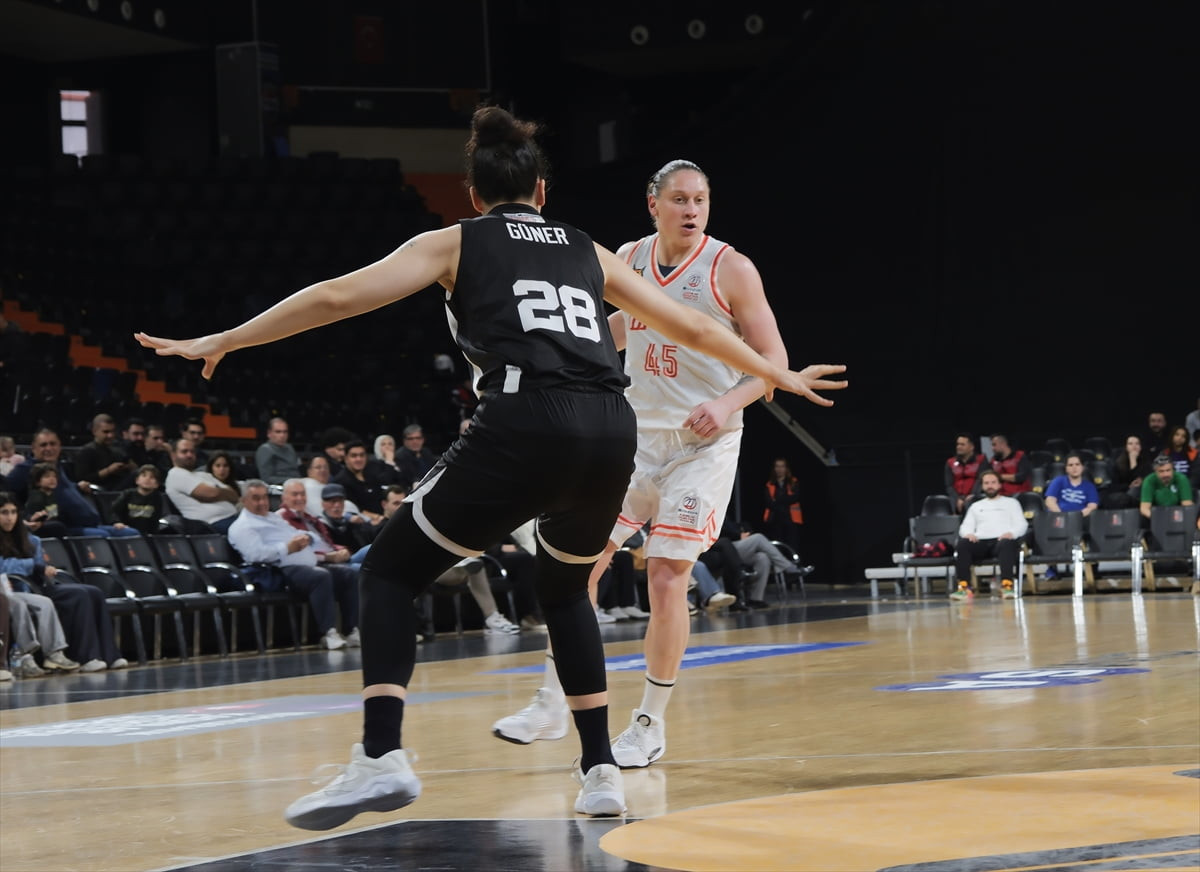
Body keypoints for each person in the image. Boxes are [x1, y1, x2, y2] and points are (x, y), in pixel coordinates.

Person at [135, 105, 845, 828]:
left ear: (472, 195)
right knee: (568, 590)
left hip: (527, 419)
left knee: (387, 570)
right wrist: (775, 376)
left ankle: (381, 754)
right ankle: (600, 769)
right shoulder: (589, 249)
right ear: (542, 193)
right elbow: (691, 324)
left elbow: (336, 296)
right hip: (611, 428)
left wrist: (225, 336)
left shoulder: (455, 242)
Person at [492, 157, 816, 769]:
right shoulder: (631, 256)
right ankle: (551, 702)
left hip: (704, 445)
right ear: (653, 204)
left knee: (667, 573)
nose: (692, 210)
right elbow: (621, 327)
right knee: (576, 570)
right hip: (635, 440)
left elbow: (773, 358)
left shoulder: (732, 268)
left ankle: (648, 723)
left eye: (701, 200)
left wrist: (726, 403)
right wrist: (552, 354)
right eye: (680, 200)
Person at [227, 479, 361, 651]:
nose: (262, 502)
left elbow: (297, 533)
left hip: (307, 562)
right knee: (320, 576)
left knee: (348, 574)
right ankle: (328, 632)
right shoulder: (242, 526)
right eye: (256, 498)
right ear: (244, 500)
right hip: (277, 570)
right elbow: (256, 554)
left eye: (264, 498)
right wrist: (287, 548)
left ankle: (352, 630)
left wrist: (309, 539)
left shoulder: (273, 518)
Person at [1, 492, 127, 672]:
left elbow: (39, 566)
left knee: (94, 592)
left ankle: (109, 655)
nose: (9, 518)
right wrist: (34, 566)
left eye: (13, 512)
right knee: (79, 596)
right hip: (17, 590)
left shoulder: (31, 539)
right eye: (4, 513)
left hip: (39, 586)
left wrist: (44, 569)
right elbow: (4, 567)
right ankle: (86, 657)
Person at [8, 430, 138, 538]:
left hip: (91, 524)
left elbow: (64, 491)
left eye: (53, 444)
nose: (49, 448)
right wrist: (23, 519)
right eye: (43, 445)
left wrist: (77, 487)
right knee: (100, 536)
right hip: (64, 528)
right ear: (34, 448)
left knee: (131, 534)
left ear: (59, 446)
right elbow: (7, 495)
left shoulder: (61, 467)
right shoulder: (25, 470)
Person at [949, 469, 1027, 602]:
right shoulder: (975, 506)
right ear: (982, 486)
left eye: (993, 482)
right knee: (963, 544)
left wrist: (1012, 533)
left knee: (1007, 543)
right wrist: (968, 534)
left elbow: (1022, 524)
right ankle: (964, 588)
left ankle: (1007, 586)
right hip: (981, 541)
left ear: (999, 485)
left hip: (1002, 540)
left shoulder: (1012, 503)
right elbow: (965, 526)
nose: (990, 486)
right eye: (986, 483)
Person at [164, 437, 240, 534]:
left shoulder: (204, 475)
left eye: (192, 451)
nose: (189, 455)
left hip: (233, 518)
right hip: (212, 525)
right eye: (184, 451)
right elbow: (211, 494)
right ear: (173, 455)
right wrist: (219, 492)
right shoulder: (176, 474)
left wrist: (217, 492)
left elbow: (234, 495)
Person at [73, 413, 138, 492]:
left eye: (112, 431)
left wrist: (129, 466)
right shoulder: (86, 451)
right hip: (101, 489)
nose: (110, 435)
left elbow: (132, 466)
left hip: (118, 485)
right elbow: (82, 479)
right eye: (106, 432)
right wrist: (108, 471)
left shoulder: (117, 449)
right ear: (94, 431)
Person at [334, 439, 395, 523]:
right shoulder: (341, 481)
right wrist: (379, 517)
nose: (358, 459)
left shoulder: (371, 473)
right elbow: (355, 509)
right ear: (346, 458)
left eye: (362, 455)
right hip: (364, 524)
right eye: (354, 456)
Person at [110, 464, 169, 536]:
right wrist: (117, 522)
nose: (147, 479)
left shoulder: (158, 498)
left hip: (148, 534)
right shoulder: (127, 494)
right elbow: (114, 511)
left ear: (157, 484)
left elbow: (157, 519)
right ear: (137, 480)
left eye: (152, 477)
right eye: (144, 475)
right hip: (126, 530)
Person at [762, 457, 804, 556]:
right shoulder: (770, 484)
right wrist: (781, 501)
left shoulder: (793, 482)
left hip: (791, 519)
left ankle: (794, 567)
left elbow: (795, 497)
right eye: (777, 466)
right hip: (775, 519)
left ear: (786, 468)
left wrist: (778, 500)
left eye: (782, 466)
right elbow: (769, 502)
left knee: (793, 545)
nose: (779, 469)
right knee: (777, 546)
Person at [944, 433, 991, 514]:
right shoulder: (950, 462)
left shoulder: (981, 460)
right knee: (948, 503)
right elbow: (949, 485)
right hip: (956, 497)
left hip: (975, 496)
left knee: (971, 503)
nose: (958, 447)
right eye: (958, 444)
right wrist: (957, 499)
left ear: (971, 447)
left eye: (962, 444)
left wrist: (972, 495)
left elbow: (980, 480)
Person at [1139, 455, 1194, 521]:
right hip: (1157, 515)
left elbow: (1187, 504)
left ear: (1173, 470)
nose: (1165, 474)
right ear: (1155, 472)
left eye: (1168, 470)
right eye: (1161, 471)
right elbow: (1144, 508)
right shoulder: (1149, 481)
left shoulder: (1182, 479)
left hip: (1178, 515)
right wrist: (1158, 519)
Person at [1108, 434, 1153, 508]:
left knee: (1136, 489)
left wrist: (1142, 481)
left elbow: (1149, 479)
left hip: (1142, 493)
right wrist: (1129, 486)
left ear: (1140, 447)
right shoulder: (1118, 464)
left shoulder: (1146, 462)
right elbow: (1114, 486)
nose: (1134, 446)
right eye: (1130, 444)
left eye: (1137, 443)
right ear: (1126, 447)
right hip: (1124, 495)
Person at [255, 417, 301, 485]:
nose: (282, 435)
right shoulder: (265, 450)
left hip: (297, 484)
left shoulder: (290, 448)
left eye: (285, 432)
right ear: (269, 433)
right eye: (278, 432)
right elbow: (267, 478)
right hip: (279, 488)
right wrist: (293, 481)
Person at [394, 424, 437, 490]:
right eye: (410, 439)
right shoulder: (400, 456)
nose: (415, 441)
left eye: (418, 438)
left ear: (423, 439)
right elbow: (409, 477)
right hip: (412, 490)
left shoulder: (426, 452)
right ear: (404, 441)